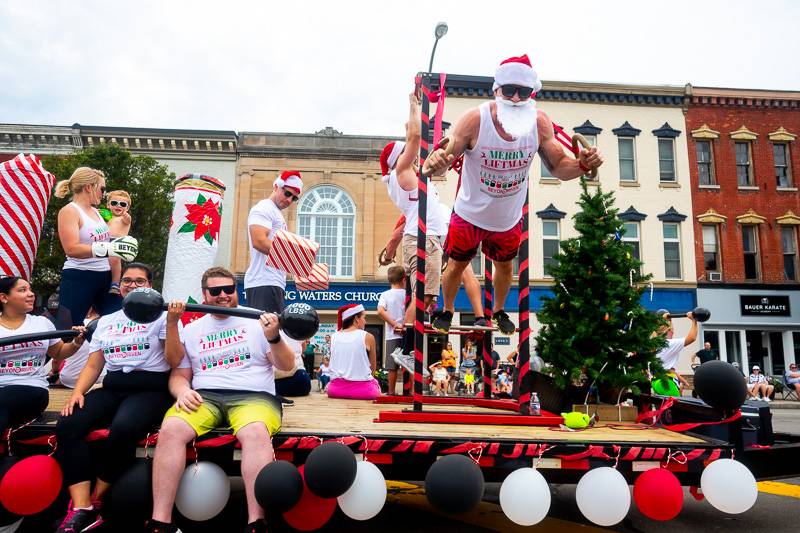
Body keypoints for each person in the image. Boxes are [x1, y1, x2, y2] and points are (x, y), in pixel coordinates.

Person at [425, 54, 603, 335]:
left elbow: (559, 167)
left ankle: (498, 311)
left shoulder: (539, 123)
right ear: (497, 90)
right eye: (509, 90)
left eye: (524, 92)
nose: (516, 98)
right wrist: (437, 161)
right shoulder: (474, 120)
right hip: (469, 212)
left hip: (506, 218)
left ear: (532, 93)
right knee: (457, 264)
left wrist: (583, 165)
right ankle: (446, 309)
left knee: (505, 267)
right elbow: (445, 157)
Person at [147, 267, 295, 533]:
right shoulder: (192, 329)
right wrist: (182, 391)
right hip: (207, 396)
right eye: (216, 291)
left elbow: (286, 365)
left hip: (254, 397)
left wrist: (273, 337)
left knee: (254, 432)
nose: (224, 295)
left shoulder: (257, 320)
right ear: (204, 295)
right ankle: (160, 522)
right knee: (170, 429)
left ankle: (256, 521)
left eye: (229, 289)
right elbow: (179, 375)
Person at [54, 263, 179, 533]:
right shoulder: (107, 321)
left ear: (150, 286)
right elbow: (93, 365)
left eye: (140, 281)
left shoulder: (160, 317)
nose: (132, 285)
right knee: (67, 424)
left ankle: (98, 498)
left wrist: (170, 323)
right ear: (119, 286)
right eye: (127, 280)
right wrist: (77, 393)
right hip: (113, 386)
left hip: (151, 389)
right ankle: (81, 506)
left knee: (122, 428)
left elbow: (174, 359)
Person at [0, 276, 86, 436]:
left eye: (30, 290)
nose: (31, 294)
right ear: (4, 297)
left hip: (31, 388)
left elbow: (58, 352)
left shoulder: (41, 323)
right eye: (22, 290)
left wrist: (76, 342)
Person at [54, 167, 139, 328]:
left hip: (105, 277)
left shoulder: (96, 211)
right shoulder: (69, 211)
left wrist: (121, 242)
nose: (103, 193)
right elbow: (71, 249)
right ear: (88, 187)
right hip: (79, 277)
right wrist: (109, 249)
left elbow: (114, 232)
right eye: (102, 189)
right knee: (67, 329)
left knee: (118, 325)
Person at [244, 170, 303, 314]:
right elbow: (259, 241)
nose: (289, 200)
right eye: (287, 193)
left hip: (272, 282)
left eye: (294, 198)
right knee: (266, 332)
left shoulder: (275, 212)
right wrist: (295, 257)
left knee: (270, 331)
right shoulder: (264, 208)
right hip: (264, 281)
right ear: (276, 186)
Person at [326, 304, 380, 400]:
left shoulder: (333, 337)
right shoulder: (368, 336)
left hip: (335, 391)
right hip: (364, 392)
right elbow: (373, 367)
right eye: (364, 318)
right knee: (375, 385)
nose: (365, 321)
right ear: (356, 319)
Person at [57, 308, 106, 389]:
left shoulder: (69, 324)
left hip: (70, 379)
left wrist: (55, 371)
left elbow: (56, 361)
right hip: (100, 378)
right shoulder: (107, 323)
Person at [652, 310, 697, 395]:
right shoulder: (669, 343)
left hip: (656, 381)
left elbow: (665, 367)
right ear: (669, 331)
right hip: (666, 383)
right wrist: (694, 320)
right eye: (673, 329)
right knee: (676, 407)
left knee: (663, 407)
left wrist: (680, 378)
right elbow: (692, 337)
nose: (673, 332)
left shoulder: (654, 342)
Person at [376, 265, 406, 395]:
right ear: (404, 279)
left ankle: (391, 391)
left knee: (391, 366)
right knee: (408, 364)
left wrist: (394, 324)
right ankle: (409, 391)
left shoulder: (385, 295)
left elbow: (380, 311)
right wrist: (403, 325)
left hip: (391, 334)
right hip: (407, 332)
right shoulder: (408, 294)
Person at [105, 190, 133, 296]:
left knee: (115, 260)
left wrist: (125, 214)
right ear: (108, 205)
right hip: (103, 242)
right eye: (114, 203)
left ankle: (115, 283)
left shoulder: (124, 218)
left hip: (117, 243)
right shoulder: (107, 216)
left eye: (122, 204)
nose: (118, 206)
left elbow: (128, 219)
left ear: (127, 208)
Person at [274, 333, 311, 397]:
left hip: (276, 382)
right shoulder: (299, 329)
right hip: (300, 381)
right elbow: (303, 349)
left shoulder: (268, 329)